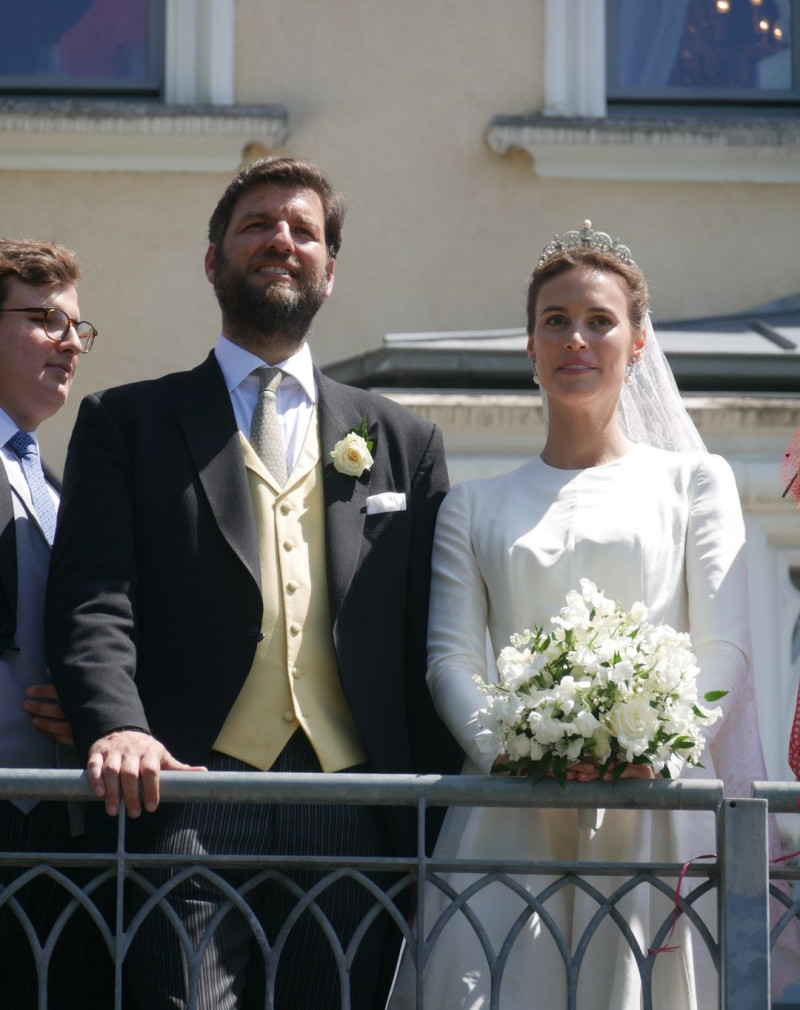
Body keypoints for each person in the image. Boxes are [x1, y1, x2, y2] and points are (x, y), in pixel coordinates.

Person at [46, 156, 461, 1009]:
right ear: (212, 261)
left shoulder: (403, 441)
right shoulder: (128, 422)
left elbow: (431, 627)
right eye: (258, 225)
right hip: (190, 791)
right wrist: (117, 723)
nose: (282, 241)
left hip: (357, 806)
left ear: (331, 272)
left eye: (304, 231)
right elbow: (96, 598)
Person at [386, 222, 776, 1008]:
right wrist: (515, 754)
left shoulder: (695, 482)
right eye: (555, 321)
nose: (577, 339)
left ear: (637, 345)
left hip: (655, 809)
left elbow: (725, 646)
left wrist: (659, 744)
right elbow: (450, 660)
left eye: (600, 320)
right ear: (530, 346)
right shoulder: (472, 506)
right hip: (511, 813)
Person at [0, 237, 96, 1008]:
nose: (71, 342)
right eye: (45, 320)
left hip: (49, 835)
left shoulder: (53, 483)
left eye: (78, 327)